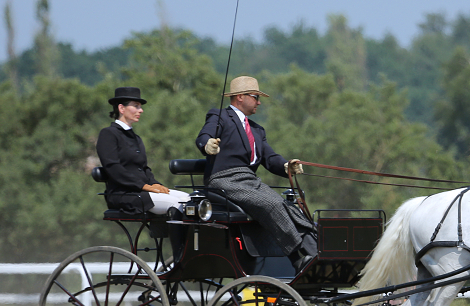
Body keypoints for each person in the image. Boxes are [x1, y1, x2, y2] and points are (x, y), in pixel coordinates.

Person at [195, 75, 317, 271]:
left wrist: (286, 167)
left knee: (290, 207)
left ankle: (315, 252)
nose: (259, 102)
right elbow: (204, 134)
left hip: (249, 180)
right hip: (224, 179)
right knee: (271, 203)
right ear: (240, 97)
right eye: (255, 97)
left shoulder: (257, 130)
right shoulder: (220, 116)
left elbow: (269, 158)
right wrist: (206, 144)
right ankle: (296, 258)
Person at [96, 87, 190, 215]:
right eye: (136, 106)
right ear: (121, 108)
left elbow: (143, 168)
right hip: (123, 194)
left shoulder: (136, 138)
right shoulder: (108, 134)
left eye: (140, 106)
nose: (141, 110)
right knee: (178, 204)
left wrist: (156, 184)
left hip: (142, 191)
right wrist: (144, 186)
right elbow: (114, 168)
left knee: (188, 199)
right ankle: (177, 235)